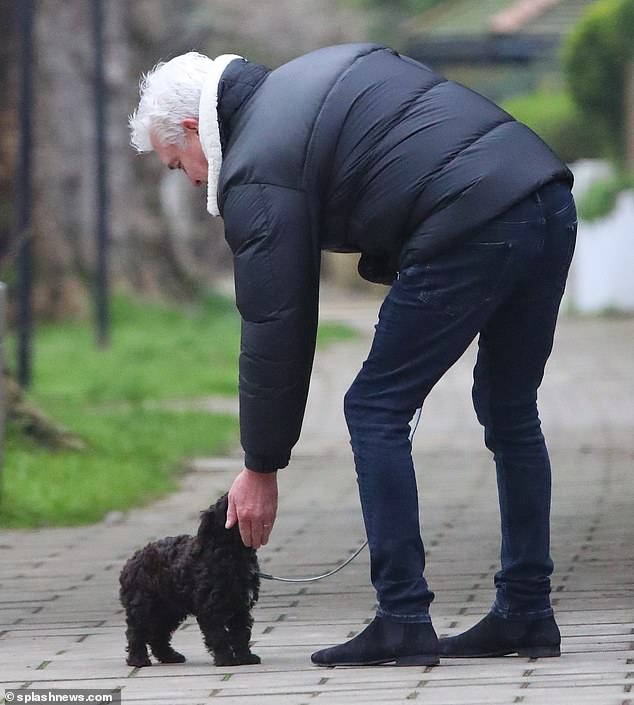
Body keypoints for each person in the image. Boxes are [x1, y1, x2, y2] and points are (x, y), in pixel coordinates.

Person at [129, 43, 576, 667]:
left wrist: (261, 466)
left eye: (180, 164)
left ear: (193, 129)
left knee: (374, 408)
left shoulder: (256, 163)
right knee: (508, 408)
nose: (195, 179)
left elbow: (276, 324)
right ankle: (527, 612)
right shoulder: (300, 83)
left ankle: (403, 619)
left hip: (472, 216)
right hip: (546, 195)